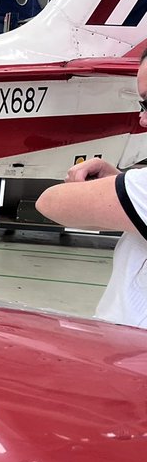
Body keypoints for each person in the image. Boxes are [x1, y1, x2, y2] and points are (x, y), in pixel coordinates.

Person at [36, 50, 147, 327]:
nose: (143, 120)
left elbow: (50, 202)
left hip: (130, 357)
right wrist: (120, 181)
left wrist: (120, 186)